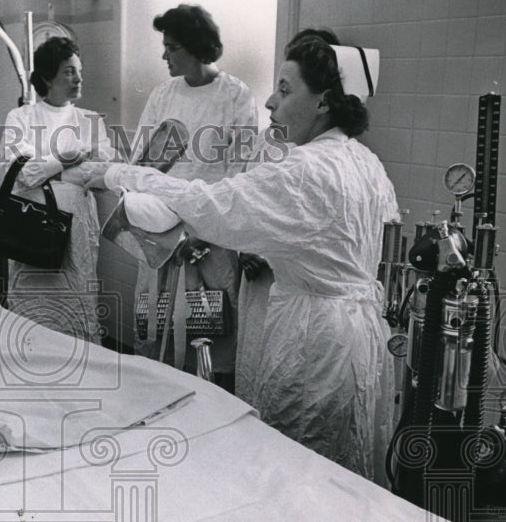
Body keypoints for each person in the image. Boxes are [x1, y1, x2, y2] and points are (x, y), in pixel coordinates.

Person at [70, 37, 396, 484]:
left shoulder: (306, 168)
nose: (270, 101)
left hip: (312, 338)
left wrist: (115, 174)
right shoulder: (364, 161)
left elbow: (212, 205)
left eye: (284, 89)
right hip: (350, 335)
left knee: (297, 464)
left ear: (323, 102)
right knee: (341, 471)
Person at [130, 4, 259, 391]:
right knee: (155, 326)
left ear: (196, 48)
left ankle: (210, 406)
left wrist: (200, 231)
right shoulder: (162, 95)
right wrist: (162, 228)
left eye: (172, 48)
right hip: (163, 234)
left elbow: (242, 171)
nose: (163, 55)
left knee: (209, 335)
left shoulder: (235, 96)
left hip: (210, 239)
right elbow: (142, 163)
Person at [235, 27, 343, 403]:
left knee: (290, 383)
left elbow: (319, 226)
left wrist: (264, 251)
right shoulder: (270, 137)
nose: (275, 101)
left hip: (294, 286)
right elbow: (245, 196)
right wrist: (242, 246)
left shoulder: (334, 153)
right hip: (256, 282)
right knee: (253, 366)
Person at [0, 36, 116, 342]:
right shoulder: (21, 117)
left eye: (79, 71)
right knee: (32, 310)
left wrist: (49, 166)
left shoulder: (90, 121)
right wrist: (68, 157)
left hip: (77, 229)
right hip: (31, 225)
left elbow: (100, 173)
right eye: (68, 71)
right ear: (48, 75)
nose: (78, 79)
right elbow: (24, 173)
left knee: (77, 301)